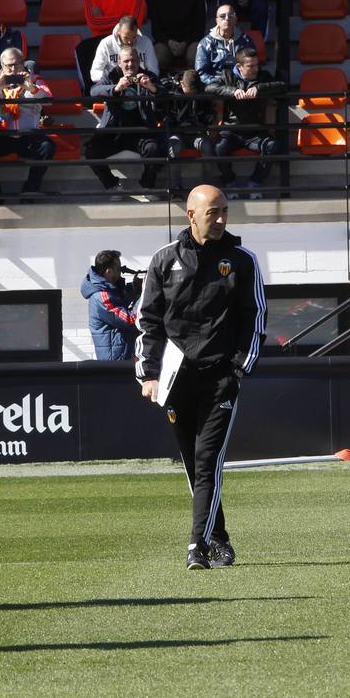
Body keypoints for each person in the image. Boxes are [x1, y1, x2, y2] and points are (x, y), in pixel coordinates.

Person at [135, 184, 265, 569]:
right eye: (214, 213)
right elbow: (148, 321)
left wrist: (240, 368)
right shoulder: (163, 260)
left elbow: (254, 318)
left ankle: (197, 546)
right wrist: (149, 374)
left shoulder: (243, 260)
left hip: (221, 379)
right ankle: (220, 538)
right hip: (176, 382)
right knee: (194, 465)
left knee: (208, 462)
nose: (222, 219)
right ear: (191, 215)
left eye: (225, 211)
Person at [0, 47, 56, 199]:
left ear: (23, 64)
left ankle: (30, 190)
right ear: (2, 66)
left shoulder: (34, 78)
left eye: (17, 64)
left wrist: (31, 88)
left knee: (47, 146)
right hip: (0, 135)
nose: (13, 69)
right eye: (8, 65)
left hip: (28, 136)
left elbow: (49, 100)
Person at [204, 46, 284, 199]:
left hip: (255, 131)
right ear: (239, 66)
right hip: (231, 131)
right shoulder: (227, 75)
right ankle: (229, 182)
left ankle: (255, 182)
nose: (255, 69)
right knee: (219, 148)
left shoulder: (263, 76)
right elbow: (209, 87)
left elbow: (281, 85)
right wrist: (232, 91)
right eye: (251, 66)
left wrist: (260, 88)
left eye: (257, 65)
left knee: (272, 146)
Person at [88, 49, 165, 197]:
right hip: (114, 132)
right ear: (119, 63)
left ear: (139, 61)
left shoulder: (147, 75)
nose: (130, 64)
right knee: (92, 151)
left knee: (154, 149)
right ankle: (112, 185)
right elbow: (94, 91)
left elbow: (165, 92)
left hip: (141, 131)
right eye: (126, 61)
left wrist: (152, 88)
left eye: (134, 60)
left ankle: (147, 186)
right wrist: (115, 88)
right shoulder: (111, 75)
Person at [161, 68, 215, 196]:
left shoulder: (203, 92)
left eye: (194, 92)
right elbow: (162, 113)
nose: (191, 95)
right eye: (188, 92)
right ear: (181, 84)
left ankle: (208, 187)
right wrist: (173, 120)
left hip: (197, 133)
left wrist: (202, 120)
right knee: (174, 148)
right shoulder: (171, 90)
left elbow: (209, 114)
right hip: (177, 133)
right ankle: (176, 188)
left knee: (207, 146)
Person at [81, 248, 138, 360]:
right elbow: (129, 319)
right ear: (108, 271)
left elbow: (122, 304)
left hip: (121, 358)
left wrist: (134, 290)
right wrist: (145, 293)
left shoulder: (110, 291)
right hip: (115, 364)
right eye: (118, 268)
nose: (121, 272)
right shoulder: (102, 297)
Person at [151, 0, 207, 72]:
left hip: (190, 41)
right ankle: (160, 86)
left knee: (195, 56)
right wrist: (169, 42)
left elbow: (199, 28)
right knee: (158, 57)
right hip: (166, 42)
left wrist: (185, 42)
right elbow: (156, 30)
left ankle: (193, 86)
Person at [194, 3, 254, 85]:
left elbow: (253, 67)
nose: (227, 18)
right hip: (216, 86)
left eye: (231, 15)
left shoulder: (245, 41)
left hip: (241, 85)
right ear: (217, 21)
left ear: (236, 19)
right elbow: (201, 73)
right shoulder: (205, 43)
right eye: (222, 16)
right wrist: (220, 84)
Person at [89, 14, 159, 84]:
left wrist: (134, 80)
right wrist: (115, 81)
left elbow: (154, 71)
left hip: (140, 84)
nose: (130, 41)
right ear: (118, 32)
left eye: (134, 37)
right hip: (113, 86)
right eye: (126, 37)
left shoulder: (146, 42)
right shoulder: (106, 44)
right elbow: (95, 73)